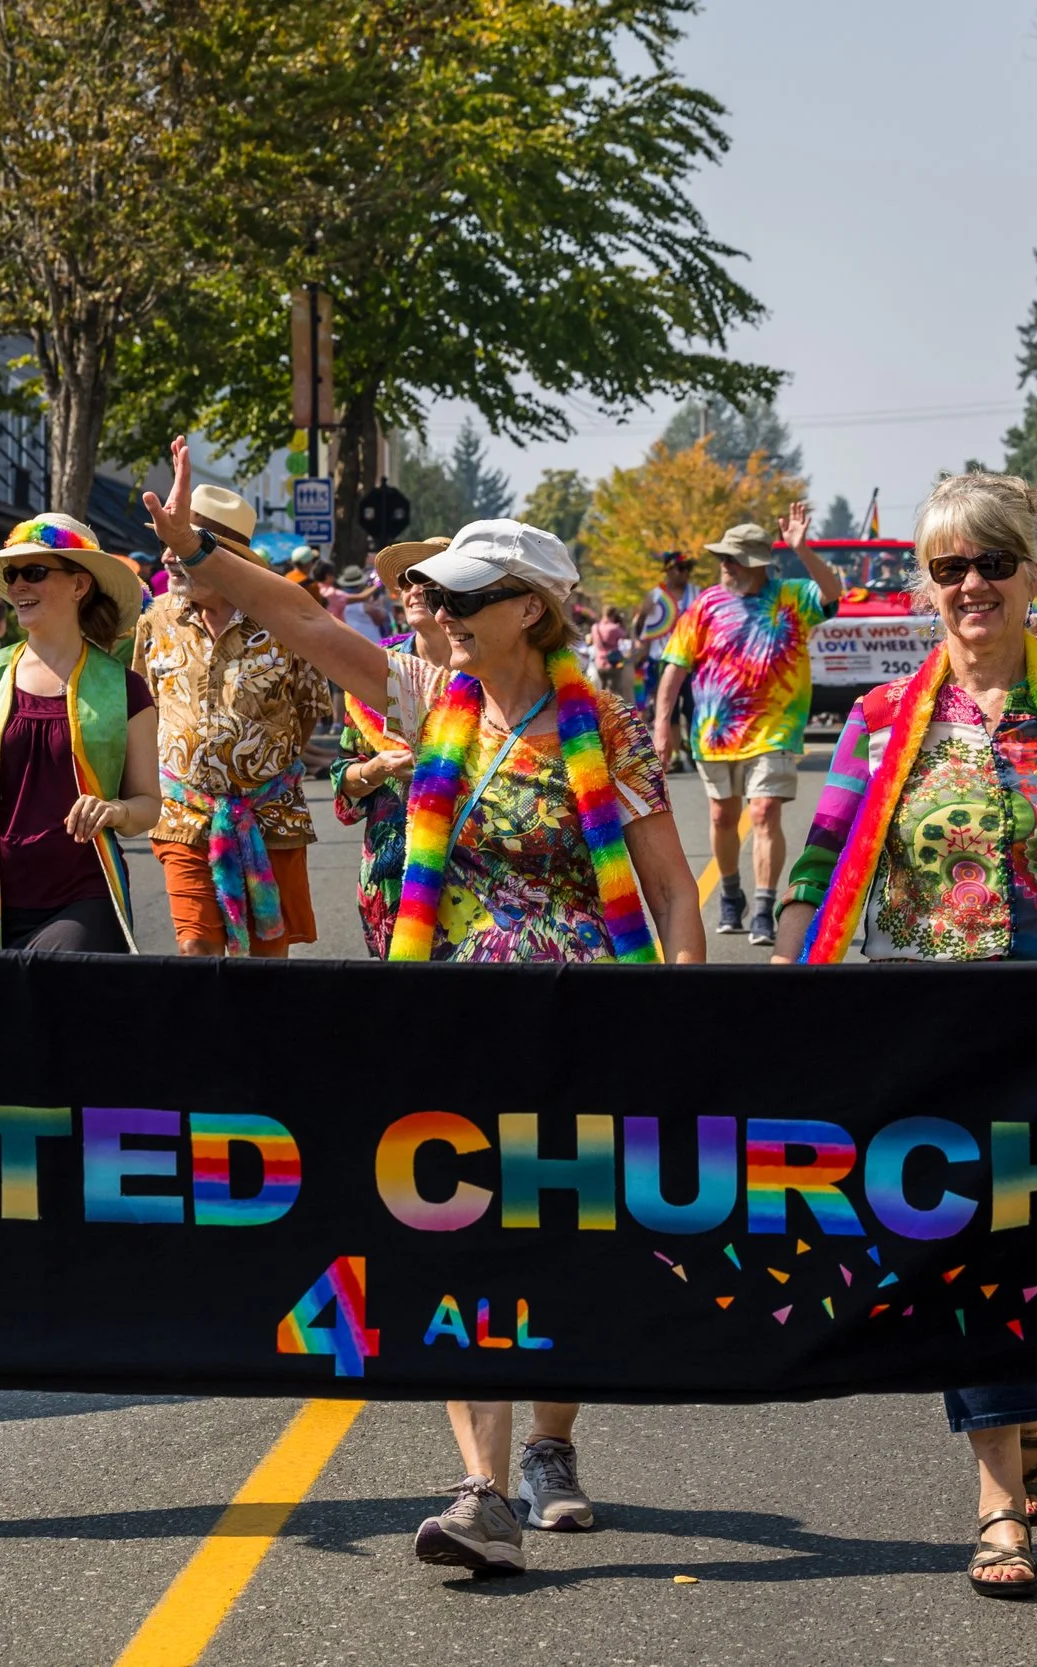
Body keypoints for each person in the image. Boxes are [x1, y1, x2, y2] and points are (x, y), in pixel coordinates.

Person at [142, 436, 701, 1573]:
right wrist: (195, 550)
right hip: (446, 1013)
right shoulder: (425, 695)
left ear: (529, 610)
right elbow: (305, 625)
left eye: (462, 597)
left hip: (581, 1016)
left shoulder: (604, 725)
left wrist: (683, 1015)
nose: (437, 611)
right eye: (435, 597)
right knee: (455, 1233)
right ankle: (483, 1488)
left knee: (559, 1240)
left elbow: (673, 891)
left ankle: (549, 1445)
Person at [772, 471, 1037, 1598]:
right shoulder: (879, 718)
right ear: (926, 583)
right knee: (967, 1253)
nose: (971, 585)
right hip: (932, 1019)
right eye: (949, 567)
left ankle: (1031, 1393)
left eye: (992, 563)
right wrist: (787, 975)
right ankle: (999, 1502)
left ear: (1029, 575)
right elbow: (820, 861)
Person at [131, 482, 333, 958]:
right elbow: (144, 703)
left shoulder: (284, 618)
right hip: (183, 814)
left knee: (267, 960)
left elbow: (308, 709)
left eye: (180, 546)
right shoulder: (156, 619)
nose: (167, 558)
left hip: (270, 815)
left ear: (222, 558)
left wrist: (259, 762)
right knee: (195, 946)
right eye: (165, 544)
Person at [0, 514, 157, 952]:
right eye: (12, 574)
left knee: (51, 986)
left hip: (84, 896)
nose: (18, 585)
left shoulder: (125, 688)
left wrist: (114, 810)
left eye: (35, 572)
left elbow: (148, 805)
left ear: (79, 585)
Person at [652, 508, 842, 945]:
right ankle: (731, 894)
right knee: (723, 817)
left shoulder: (791, 597)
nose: (725, 565)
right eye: (722, 557)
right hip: (715, 733)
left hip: (775, 729)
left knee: (764, 811)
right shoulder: (705, 606)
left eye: (733, 558)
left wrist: (801, 549)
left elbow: (833, 593)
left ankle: (762, 906)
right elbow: (674, 667)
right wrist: (662, 724)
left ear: (756, 564)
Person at [331, 539, 448, 958]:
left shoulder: (489, 670)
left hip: (476, 868)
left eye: (428, 578)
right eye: (406, 580)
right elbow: (343, 775)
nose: (414, 589)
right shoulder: (377, 668)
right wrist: (375, 768)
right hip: (392, 872)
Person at [633, 549, 695, 728]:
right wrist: (644, 615)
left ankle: (690, 744)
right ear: (668, 571)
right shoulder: (655, 596)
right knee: (669, 712)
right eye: (680, 568)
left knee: (692, 709)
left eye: (687, 568)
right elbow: (641, 626)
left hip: (691, 661)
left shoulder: (697, 594)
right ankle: (674, 746)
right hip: (662, 659)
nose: (685, 572)